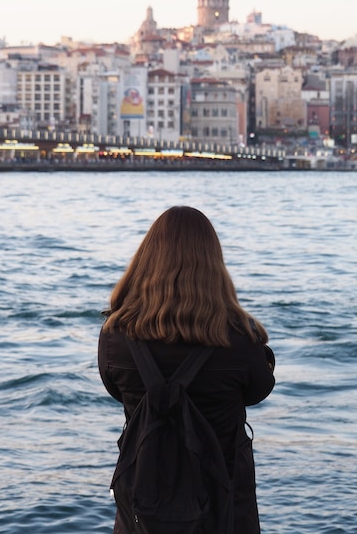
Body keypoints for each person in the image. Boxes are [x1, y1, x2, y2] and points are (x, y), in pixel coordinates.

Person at [98, 205, 275, 534]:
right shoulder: (238, 335)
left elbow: (113, 387)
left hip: (143, 503)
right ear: (212, 263)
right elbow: (259, 390)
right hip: (224, 501)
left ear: (147, 258)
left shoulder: (115, 335)